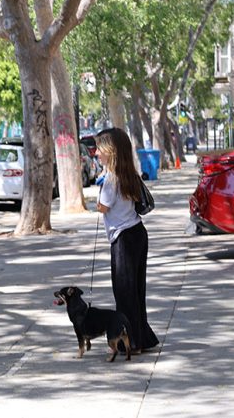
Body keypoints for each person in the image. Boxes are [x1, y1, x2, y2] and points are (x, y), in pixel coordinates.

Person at [94, 127, 159, 355]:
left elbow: (103, 207)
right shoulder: (129, 173)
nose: (96, 153)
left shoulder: (111, 179)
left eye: (99, 149)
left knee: (123, 292)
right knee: (136, 291)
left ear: (110, 151)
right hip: (137, 234)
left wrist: (98, 187)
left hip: (123, 238)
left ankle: (132, 342)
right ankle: (142, 338)